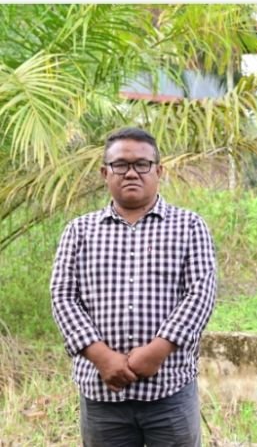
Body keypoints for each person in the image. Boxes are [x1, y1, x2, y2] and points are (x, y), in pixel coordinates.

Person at [50, 127, 216, 447]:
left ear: (159, 170)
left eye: (142, 164)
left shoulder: (189, 226)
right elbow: (63, 296)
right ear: (104, 172)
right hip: (101, 392)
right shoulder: (79, 231)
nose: (131, 173)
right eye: (120, 165)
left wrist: (157, 351)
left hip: (169, 390)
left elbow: (200, 294)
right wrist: (101, 357)